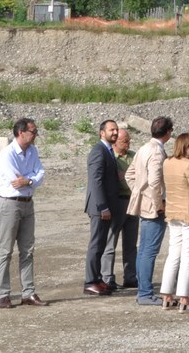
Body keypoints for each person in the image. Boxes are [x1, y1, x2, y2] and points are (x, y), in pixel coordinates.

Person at [0, 116, 48, 309]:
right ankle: (3, 294)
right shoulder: (7, 154)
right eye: (33, 131)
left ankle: (28, 293)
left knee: (27, 250)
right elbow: (15, 180)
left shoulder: (33, 151)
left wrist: (30, 181)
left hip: (27, 203)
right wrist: (30, 179)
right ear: (20, 132)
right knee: (5, 251)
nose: (36, 134)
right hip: (10, 204)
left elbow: (40, 174)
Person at [127, 115, 173, 306]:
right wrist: (158, 203)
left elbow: (130, 175)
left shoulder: (144, 148)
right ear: (168, 133)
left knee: (144, 249)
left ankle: (143, 290)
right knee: (149, 250)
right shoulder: (155, 152)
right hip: (154, 207)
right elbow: (154, 182)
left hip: (146, 204)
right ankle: (145, 292)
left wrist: (139, 192)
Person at [160, 133, 189, 312]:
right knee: (188, 256)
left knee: (174, 254)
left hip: (173, 213)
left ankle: (166, 295)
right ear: (185, 146)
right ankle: (184, 298)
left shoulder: (167, 162)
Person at [83, 119, 119, 296]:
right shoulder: (98, 151)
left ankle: (97, 279)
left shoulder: (108, 150)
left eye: (116, 130)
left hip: (105, 207)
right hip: (99, 207)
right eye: (111, 130)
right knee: (96, 244)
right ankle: (90, 281)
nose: (115, 133)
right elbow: (95, 181)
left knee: (102, 244)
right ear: (101, 133)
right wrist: (102, 206)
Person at [101, 126, 138, 291]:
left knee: (131, 243)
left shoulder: (134, 156)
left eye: (129, 141)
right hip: (117, 202)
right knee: (110, 242)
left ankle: (130, 277)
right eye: (124, 141)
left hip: (132, 202)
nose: (128, 144)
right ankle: (107, 278)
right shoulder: (110, 157)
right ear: (115, 142)